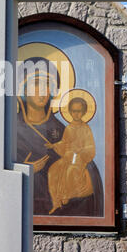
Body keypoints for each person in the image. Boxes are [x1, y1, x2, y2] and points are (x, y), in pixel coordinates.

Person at [17, 58, 104, 217]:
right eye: (36, 84)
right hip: (20, 207)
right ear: (23, 89)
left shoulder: (62, 129)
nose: (42, 90)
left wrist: (89, 179)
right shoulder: (11, 129)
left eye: (47, 84)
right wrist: (25, 169)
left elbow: (84, 159)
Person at [46, 97, 96, 215]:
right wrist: (53, 146)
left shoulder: (86, 128)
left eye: (79, 111)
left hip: (79, 158)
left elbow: (90, 147)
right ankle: (56, 202)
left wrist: (81, 151)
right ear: (70, 112)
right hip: (68, 156)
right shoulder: (68, 128)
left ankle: (66, 196)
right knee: (53, 171)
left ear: (84, 112)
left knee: (71, 171)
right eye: (74, 111)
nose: (76, 114)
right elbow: (64, 143)